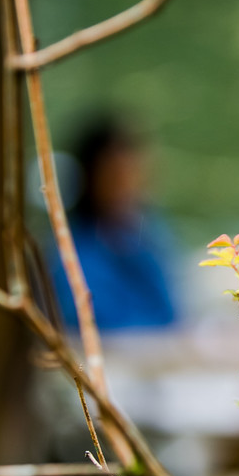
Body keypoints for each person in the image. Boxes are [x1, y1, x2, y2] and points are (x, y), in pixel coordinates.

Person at [47, 114, 178, 334]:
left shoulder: (149, 235)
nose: (127, 187)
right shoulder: (74, 249)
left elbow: (172, 313)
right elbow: (90, 329)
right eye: (115, 176)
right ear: (90, 178)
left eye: (132, 174)